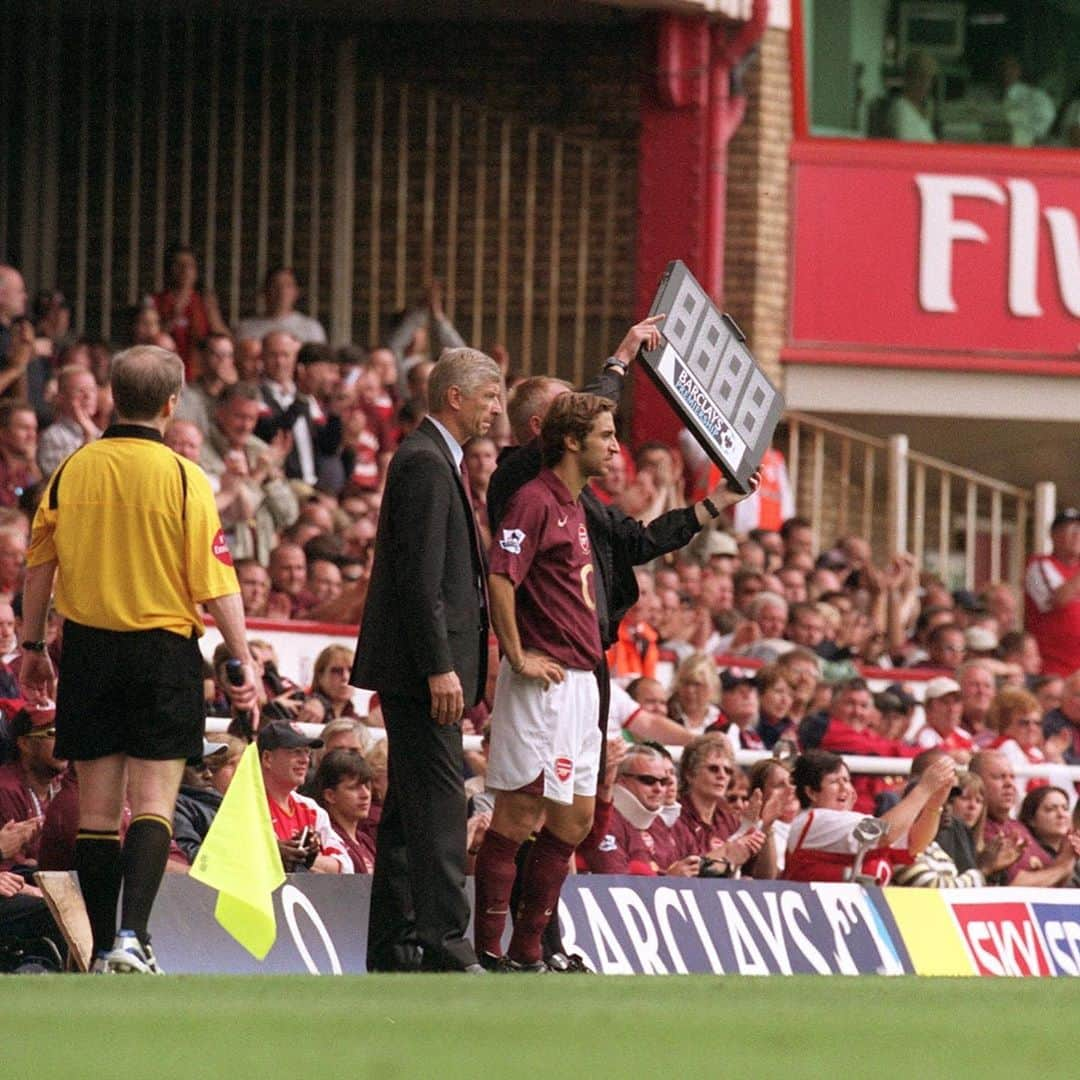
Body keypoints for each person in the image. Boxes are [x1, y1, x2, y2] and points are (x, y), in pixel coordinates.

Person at [19, 344, 259, 974]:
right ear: (172, 402)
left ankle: (100, 948)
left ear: (111, 396)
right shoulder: (183, 477)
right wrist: (242, 659)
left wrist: (32, 646)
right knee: (153, 803)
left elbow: (38, 563)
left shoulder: (72, 470)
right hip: (160, 652)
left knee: (97, 810)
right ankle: (133, 938)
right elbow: (217, 579)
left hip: (91, 650)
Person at [351, 346, 502, 974]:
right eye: (490, 396)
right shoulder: (425, 463)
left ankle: (393, 943)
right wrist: (441, 665)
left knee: (411, 810)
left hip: (422, 666)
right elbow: (419, 579)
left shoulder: (437, 459)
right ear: (455, 397)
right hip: (423, 670)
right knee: (440, 806)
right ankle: (446, 945)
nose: (497, 409)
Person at [472, 392, 617, 971]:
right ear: (572, 442)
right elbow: (501, 578)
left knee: (574, 820)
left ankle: (530, 950)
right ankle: (487, 951)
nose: (614, 445)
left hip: (582, 683)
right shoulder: (532, 501)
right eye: (605, 435)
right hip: (544, 682)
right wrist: (515, 654)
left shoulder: (577, 506)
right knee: (519, 814)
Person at [784, 748, 955, 884]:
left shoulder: (844, 822)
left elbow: (915, 844)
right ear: (811, 792)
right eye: (835, 781)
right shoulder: (814, 819)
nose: (845, 788)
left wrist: (934, 805)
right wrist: (924, 789)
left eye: (847, 780)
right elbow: (884, 833)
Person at [258, 721, 351, 874]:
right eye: (295, 751)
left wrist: (308, 859)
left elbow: (345, 865)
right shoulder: (246, 804)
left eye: (307, 752)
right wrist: (273, 854)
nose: (305, 760)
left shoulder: (311, 809)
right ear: (267, 758)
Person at [152, 245, 229, 377]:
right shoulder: (155, 301)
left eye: (190, 266)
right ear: (169, 269)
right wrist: (174, 316)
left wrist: (213, 314)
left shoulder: (203, 301)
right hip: (162, 374)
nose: (185, 270)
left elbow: (224, 340)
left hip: (198, 376)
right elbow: (149, 341)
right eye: (179, 265)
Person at [1024, 508, 1080, 677]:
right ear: (1054, 535)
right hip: (1054, 670)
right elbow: (1058, 599)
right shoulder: (1039, 565)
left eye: (1079, 530)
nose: (1077, 535)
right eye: (1071, 530)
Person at [312, 749, 377, 874]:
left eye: (367, 786)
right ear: (330, 795)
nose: (365, 795)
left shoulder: (366, 840)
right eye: (353, 788)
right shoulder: (323, 840)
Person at [36, 365, 101, 479]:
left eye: (92, 390)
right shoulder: (52, 437)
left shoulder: (101, 433)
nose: (88, 396)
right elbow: (65, 479)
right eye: (80, 391)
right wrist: (88, 435)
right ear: (61, 397)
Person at [236, 266, 327, 345]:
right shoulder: (246, 329)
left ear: (296, 292)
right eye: (276, 286)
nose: (282, 291)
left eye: (287, 285)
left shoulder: (311, 328)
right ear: (265, 291)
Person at [1018, 786, 1080, 888]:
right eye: (1050, 809)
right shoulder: (1024, 853)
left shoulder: (1075, 849)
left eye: (1065, 808)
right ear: (1031, 820)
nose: (1061, 814)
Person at [886, 50, 937, 142]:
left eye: (929, 79)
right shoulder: (900, 110)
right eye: (921, 78)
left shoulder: (923, 111)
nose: (926, 85)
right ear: (908, 78)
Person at [0, 400, 40, 509]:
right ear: (3, 433)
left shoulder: (29, 469)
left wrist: (32, 463)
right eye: (24, 428)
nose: (32, 435)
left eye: (34, 429)